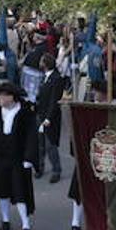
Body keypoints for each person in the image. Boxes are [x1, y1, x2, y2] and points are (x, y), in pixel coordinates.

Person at [0, 82, 39, 230]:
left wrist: (29, 157)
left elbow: (31, 137)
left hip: (17, 158)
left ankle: (26, 225)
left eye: (2, 95)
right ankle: (5, 221)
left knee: (20, 191)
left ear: (11, 97)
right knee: (2, 190)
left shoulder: (25, 113)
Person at [34, 54, 66, 183]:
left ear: (46, 63)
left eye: (42, 61)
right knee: (40, 144)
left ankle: (56, 170)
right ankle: (40, 167)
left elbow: (54, 100)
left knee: (50, 145)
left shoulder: (56, 79)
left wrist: (48, 118)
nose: (39, 63)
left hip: (49, 117)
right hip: (40, 114)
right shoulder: (45, 78)